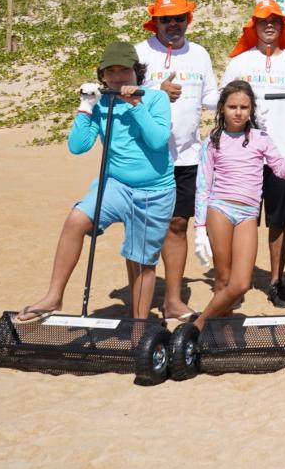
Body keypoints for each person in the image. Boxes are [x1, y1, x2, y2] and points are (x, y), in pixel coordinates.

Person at [17, 42, 173, 323]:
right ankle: (54, 296)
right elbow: (78, 146)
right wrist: (86, 106)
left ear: (136, 71)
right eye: (110, 71)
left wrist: (135, 105)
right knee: (75, 220)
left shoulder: (155, 98)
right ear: (102, 76)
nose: (117, 77)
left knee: (140, 261)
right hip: (115, 184)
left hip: (155, 191)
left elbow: (157, 140)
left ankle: (139, 327)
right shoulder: (101, 102)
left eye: (124, 70)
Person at [135, 0, 219, 322]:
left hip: (187, 156)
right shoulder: (139, 54)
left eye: (179, 18)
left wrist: (242, 98)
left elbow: (211, 96)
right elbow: (120, 93)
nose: (173, 24)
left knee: (178, 224)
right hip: (146, 156)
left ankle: (172, 299)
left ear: (188, 19)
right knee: (145, 228)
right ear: (154, 22)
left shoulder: (200, 54)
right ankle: (140, 307)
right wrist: (156, 92)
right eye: (165, 19)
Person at [222, 0, 285, 308]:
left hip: (280, 155)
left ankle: (275, 281)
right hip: (243, 155)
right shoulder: (240, 61)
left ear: (282, 27)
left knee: (278, 221)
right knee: (240, 217)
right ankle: (233, 282)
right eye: (262, 21)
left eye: (275, 21)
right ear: (253, 26)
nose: (269, 25)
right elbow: (226, 103)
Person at [192, 81, 285, 328]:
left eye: (244, 107)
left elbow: (283, 171)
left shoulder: (261, 138)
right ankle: (220, 333)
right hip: (220, 209)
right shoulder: (212, 141)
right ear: (222, 109)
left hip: (248, 213)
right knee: (223, 279)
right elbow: (203, 187)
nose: (238, 112)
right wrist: (199, 228)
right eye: (232, 106)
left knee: (241, 283)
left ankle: (199, 326)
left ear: (252, 109)